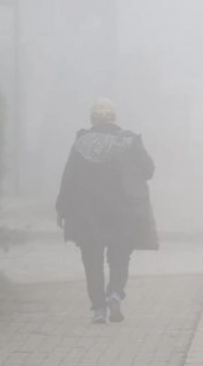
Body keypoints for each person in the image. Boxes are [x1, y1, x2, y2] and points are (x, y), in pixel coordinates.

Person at [56, 98, 158, 324]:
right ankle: (114, 293)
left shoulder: (82, 142)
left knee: (92, 260)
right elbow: (148, 170)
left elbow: (69, 177)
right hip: (123, 211)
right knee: (120, 257)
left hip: (87, 212)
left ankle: (99, 309)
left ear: (92, 119)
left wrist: (62, 208)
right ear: (114, 117)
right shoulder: (130, 141)